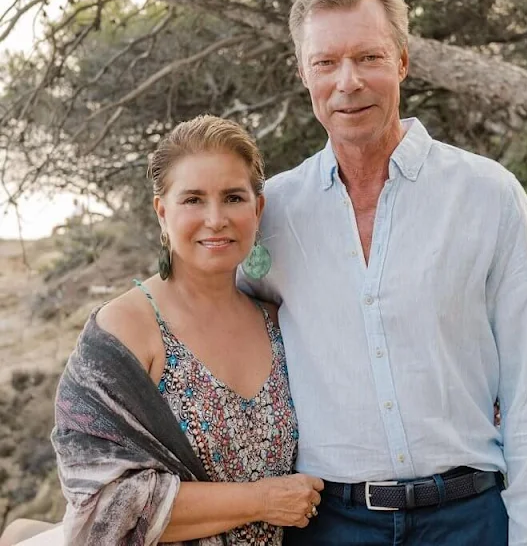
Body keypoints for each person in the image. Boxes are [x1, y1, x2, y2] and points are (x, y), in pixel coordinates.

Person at [238, 0, 527, 546]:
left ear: (403, 61)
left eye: (369, 57)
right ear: (303, 73)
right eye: (326, 63)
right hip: (327, 525)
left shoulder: (489, 196)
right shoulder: (271, 215)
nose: (348, 82)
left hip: (469, 519)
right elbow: (219, 322)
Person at [1, 115, 323, 546]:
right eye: (193, 199)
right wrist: (261, 500)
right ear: (162, 211)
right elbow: (100, 506)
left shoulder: (279, 322)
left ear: (257, 208)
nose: (215, 218)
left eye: (233, 197)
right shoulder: (125, 329)